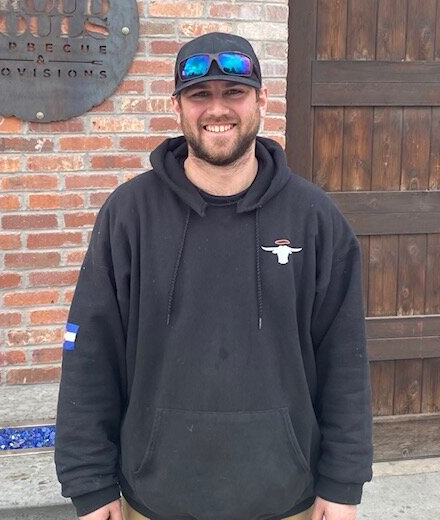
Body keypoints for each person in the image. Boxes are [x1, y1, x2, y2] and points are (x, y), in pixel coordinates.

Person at [55, 32, 373, 520]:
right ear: (178, 107)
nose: (217, 109)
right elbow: (90, 351)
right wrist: (90, 485)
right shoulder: (130, 215)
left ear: (261, 100)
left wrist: (344, 483)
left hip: (287, 500)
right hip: (154, 501)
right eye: (200, 95)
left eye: (234, 93)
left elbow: (344, 358)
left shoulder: (314, 218)